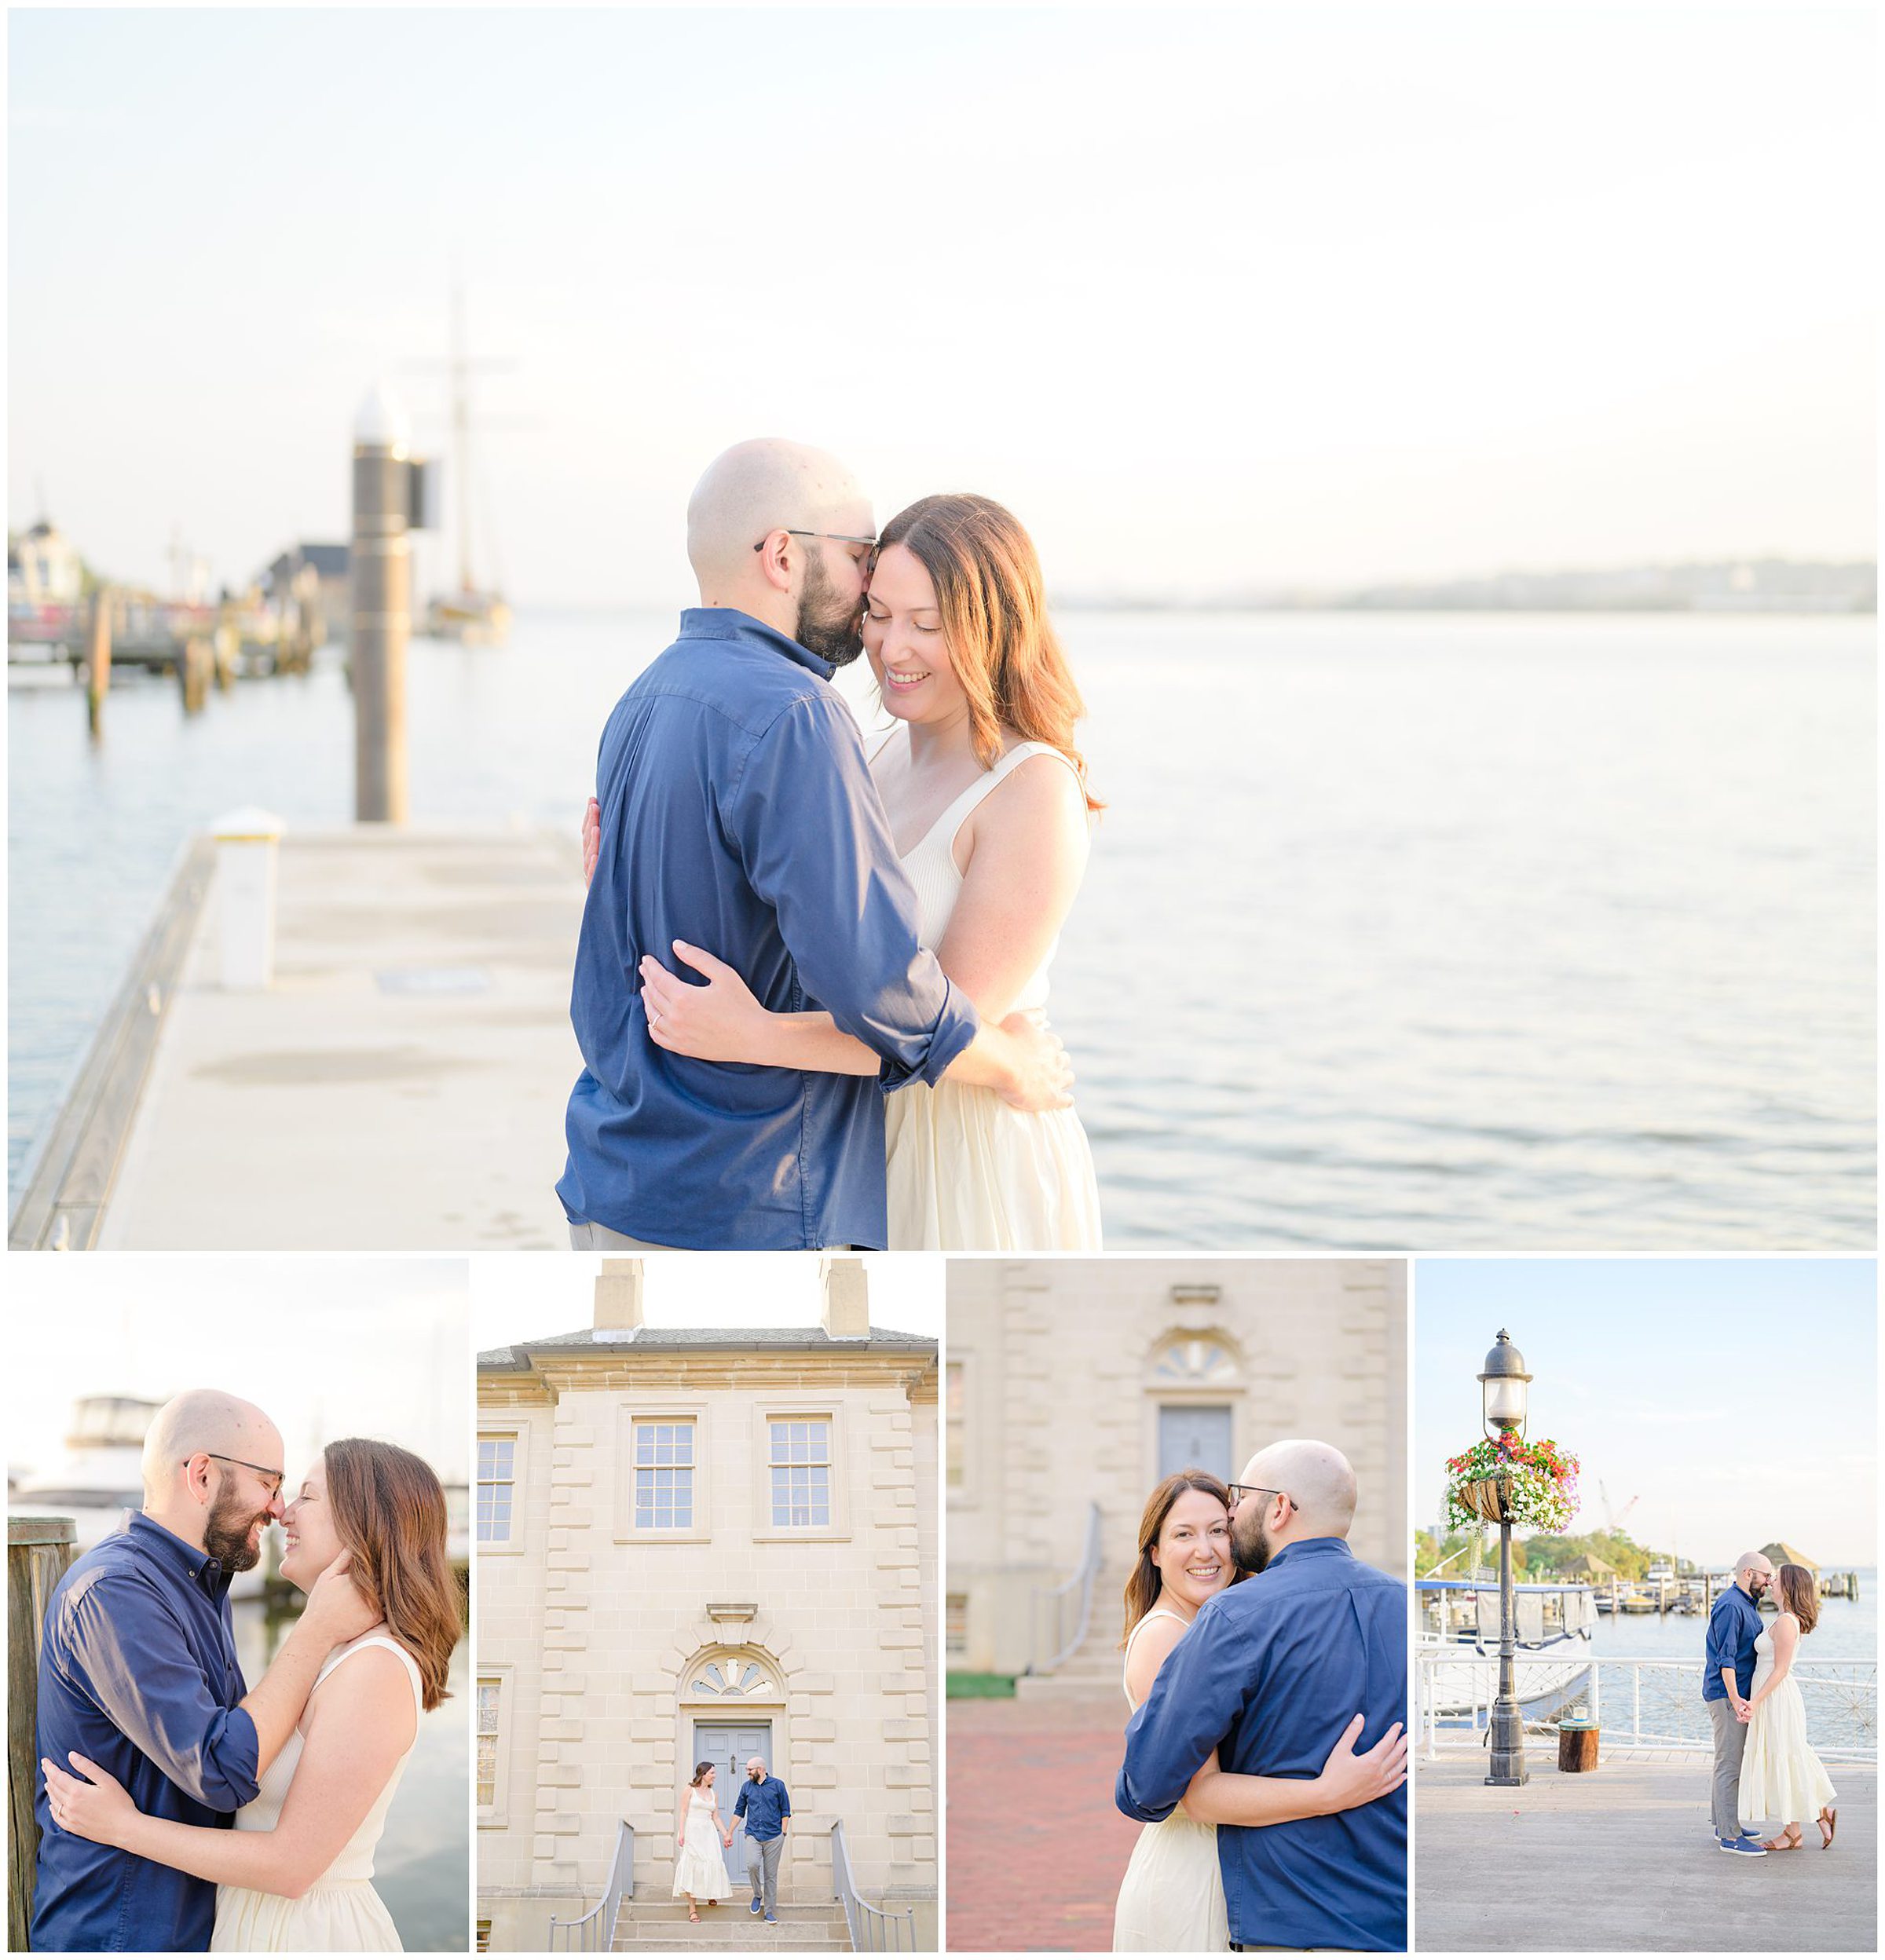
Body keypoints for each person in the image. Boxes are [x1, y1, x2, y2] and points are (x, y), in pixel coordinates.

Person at [558, 438, 1074, 1252]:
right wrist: (1008, 1063)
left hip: (906, 1157)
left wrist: (627, 898)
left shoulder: (646, 694)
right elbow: (879, 986)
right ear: (783, 555)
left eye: (923, 622)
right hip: (755, 1185)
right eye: (873, 596)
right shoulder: (816, 725)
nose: (886, 640)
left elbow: (875, 985)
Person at [42, 1437, 462, 1952]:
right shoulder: (335, 1649)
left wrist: (124, 1827)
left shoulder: (375, 1668)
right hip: (259, 1923)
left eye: (306, 1496)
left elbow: (291, 1866)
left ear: (364, 1521)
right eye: (277, 1488)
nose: (284, 1511)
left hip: (303, 1933)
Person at [1116, 1441, 1407, 1952]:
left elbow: (1145, 1785)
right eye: (1185, 1533)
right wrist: (1326, 1791)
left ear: (1278, 1507)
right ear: (1156, 1551)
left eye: (1236, 1503)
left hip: (1286, 1914)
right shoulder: (1402, 1604)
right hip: (1389, 1913)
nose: (1229, 1520)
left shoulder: (1237, 1617)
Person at [1737, 1562, 1839, 1852]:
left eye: (1776, 1579)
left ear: (1789, 1586)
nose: (1770, 1583)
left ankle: (1798, 1828)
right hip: (1773, 1696)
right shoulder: (1783, 1618)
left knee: (1784, 1757)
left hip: (1775, 1698)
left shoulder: (1785, 1622)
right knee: (1786, 1756)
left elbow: (1780, 1669)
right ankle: (1813, 1817)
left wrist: (1754, 1702)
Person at [1703, 1549, 1774, 1856]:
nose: (1769, 1583)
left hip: (1732, 1694)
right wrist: (1737, 1699)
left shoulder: (1745, 1604)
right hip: (1727, 1695)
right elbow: (1726, 1659)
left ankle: (1724, 1823)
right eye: (1766, 1576)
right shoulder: (1732, 1606)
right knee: (1730, 1765)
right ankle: (1731, 1837)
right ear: (1749, 1574)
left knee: (1727, 1761)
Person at [729, 1756, 790, 1924]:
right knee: (752, 1865)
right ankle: (757, 1895)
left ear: (760, 1769)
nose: (747, 1773)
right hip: (754, 1834)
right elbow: (739, 1811)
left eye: (750, 1770)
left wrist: (783, 1834)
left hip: (774, 1836)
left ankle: (769, 1911)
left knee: (771, 1876)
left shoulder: (778, 1785)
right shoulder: (746, 1787)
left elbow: (785, 1811)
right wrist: (729, 1832)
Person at [672, 1763, 726, 1921]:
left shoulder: (713, 1793)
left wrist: (725, 1834)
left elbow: (716, 1817)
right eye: (712, 1773)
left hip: (708, 1833)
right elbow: (683, 1812)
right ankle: (692, 1909)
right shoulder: (689, 1790)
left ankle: (710, 1893)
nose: (714, 1776)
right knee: (693, 1865)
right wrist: (682, 1833)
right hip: (692, 1831)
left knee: (712, 1862)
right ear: (703, 1774)